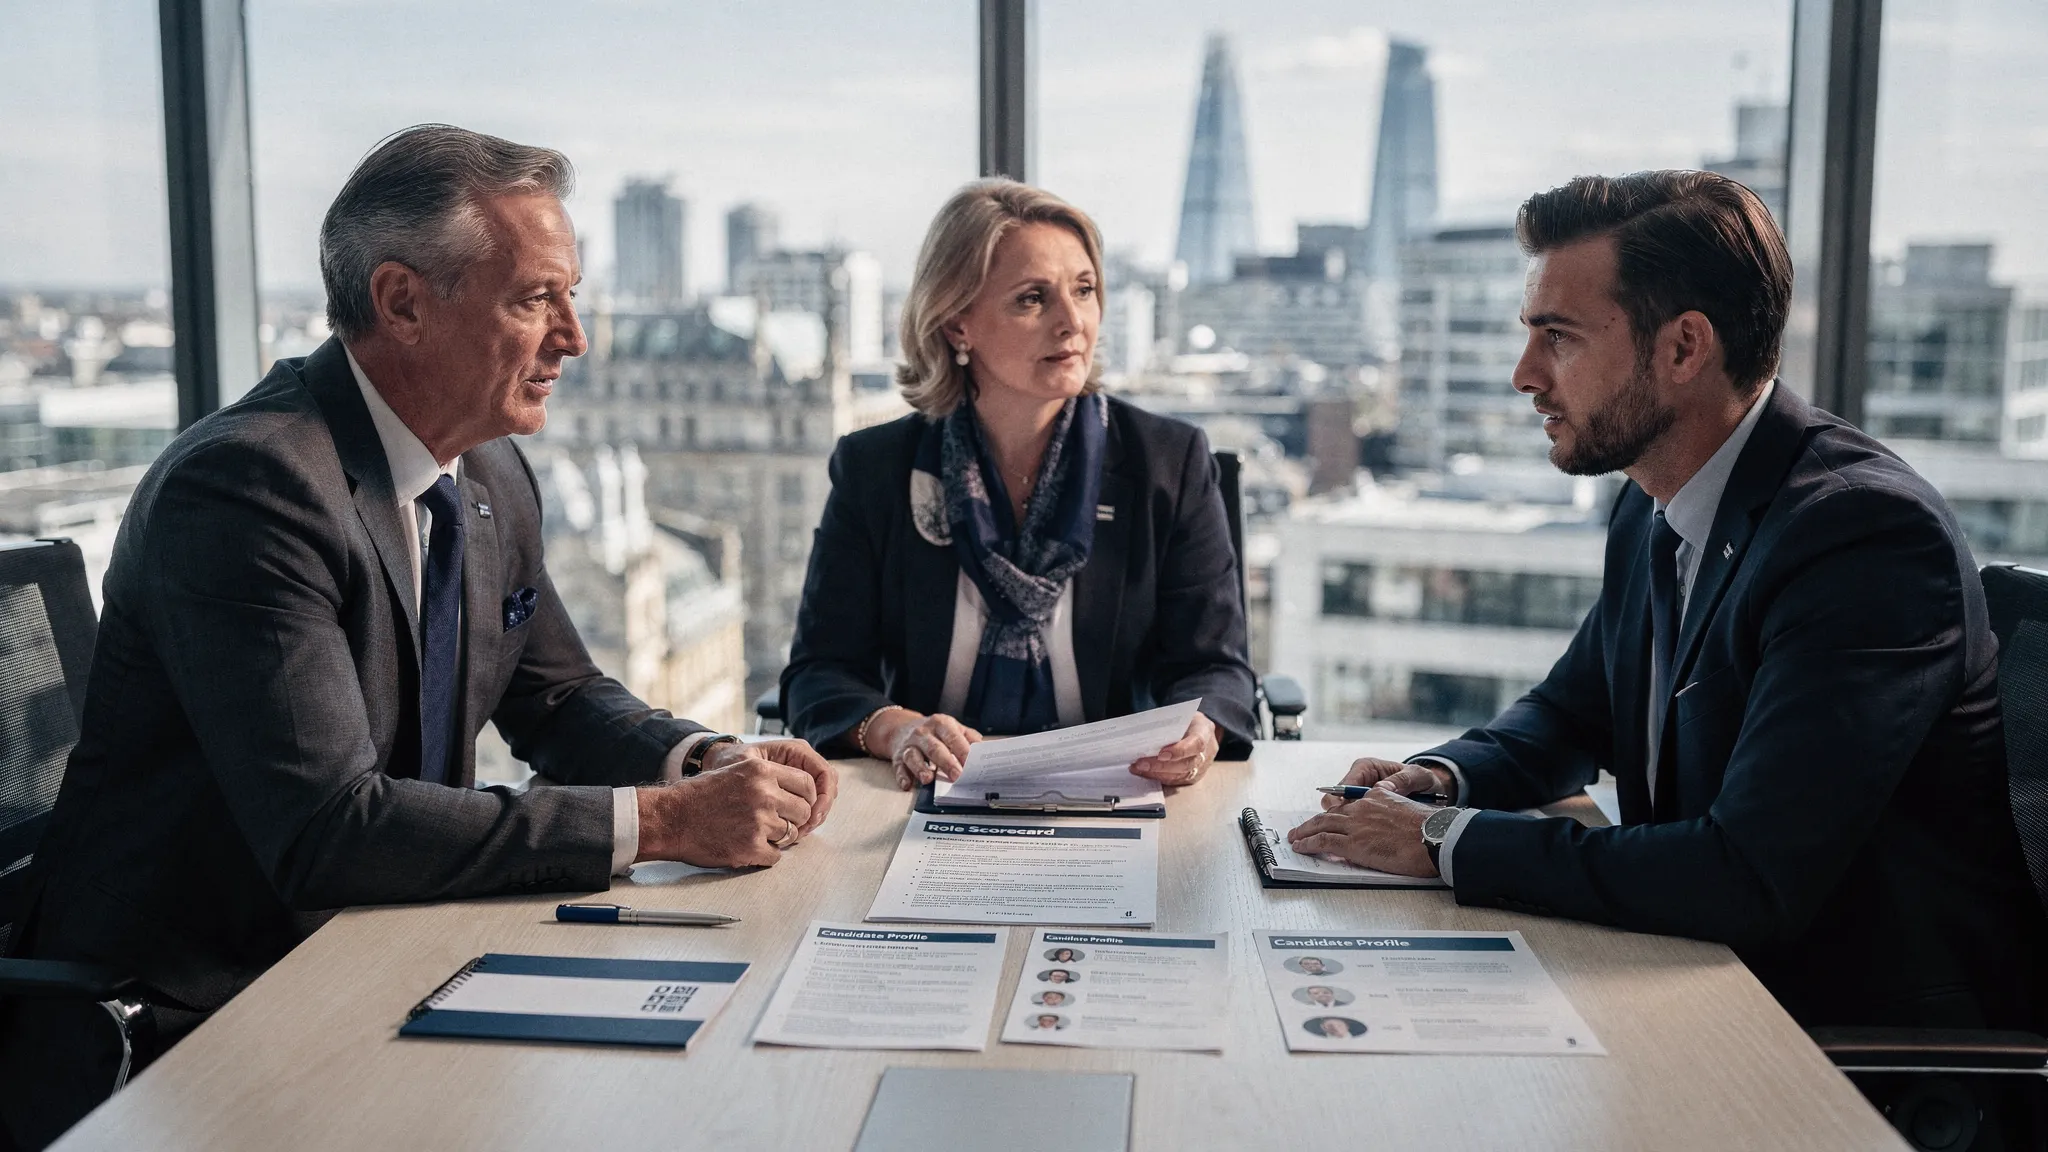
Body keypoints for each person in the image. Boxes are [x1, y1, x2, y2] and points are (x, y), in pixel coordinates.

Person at [0, 125, 837, 1148]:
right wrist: (665, 823)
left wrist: (705, 759)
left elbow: (561, 699)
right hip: (189, 1017)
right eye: (535, 299)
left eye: (572, 297)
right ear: (401, 301)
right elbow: (330, 831)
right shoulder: (249, 488)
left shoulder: (483, 473)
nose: (575, 338)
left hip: (383, 954)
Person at [1287, 171, 2048, 1039]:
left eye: (1559, 339)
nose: (1524, 376)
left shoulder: (1863, 537)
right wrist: (1442, 779)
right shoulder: (1655, 499)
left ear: (1684, 349)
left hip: (1850, 1046)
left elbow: (1746, 873)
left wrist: (1441, 841)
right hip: (1690, 983)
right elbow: (1573, 715)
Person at [779, 179, 1257, 791]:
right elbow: (819, 672)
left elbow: (1215, 668)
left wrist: (1201, 729)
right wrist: (897, 729)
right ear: (957, 326)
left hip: (1118, 793)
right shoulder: (877, 469)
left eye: (1084, 291)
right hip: (926, 798)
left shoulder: (1167, 462)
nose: (1072, 322)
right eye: (1033, 299)